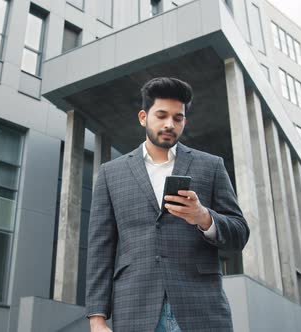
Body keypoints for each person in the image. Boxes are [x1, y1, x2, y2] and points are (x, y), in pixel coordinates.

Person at [86, 77, 249, 331]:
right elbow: (100, 249)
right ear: (143, 116)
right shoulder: (111, 173)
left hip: (202, 310)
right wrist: (97, 318)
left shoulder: (211, 166)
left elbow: (240, 233)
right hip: (135, 310)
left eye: (178, 118)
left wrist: (204, 217)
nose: (169, 124)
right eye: (161, 115)